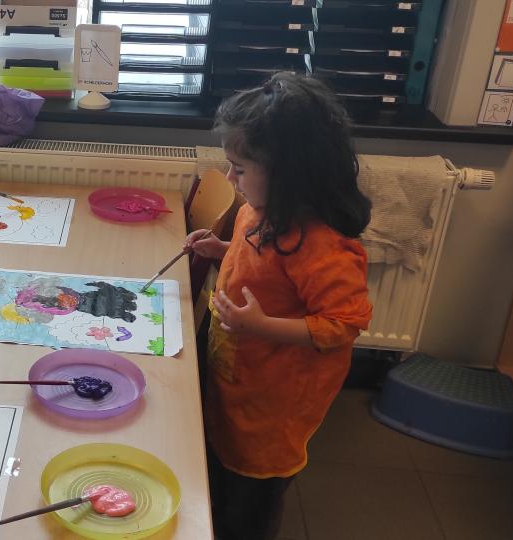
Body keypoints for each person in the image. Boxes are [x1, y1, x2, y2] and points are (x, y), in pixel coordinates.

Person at [186, 72, 373, 540]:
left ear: (289, 173)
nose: (230, 177)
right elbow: (261, 265)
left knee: (249, 505)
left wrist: (262, 326)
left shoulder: (322, 244)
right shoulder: (258, 209)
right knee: (221, 476)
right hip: (237, 377)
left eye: (239, 168)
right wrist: (222, 248)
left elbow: (342, 325)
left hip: (271, 409)